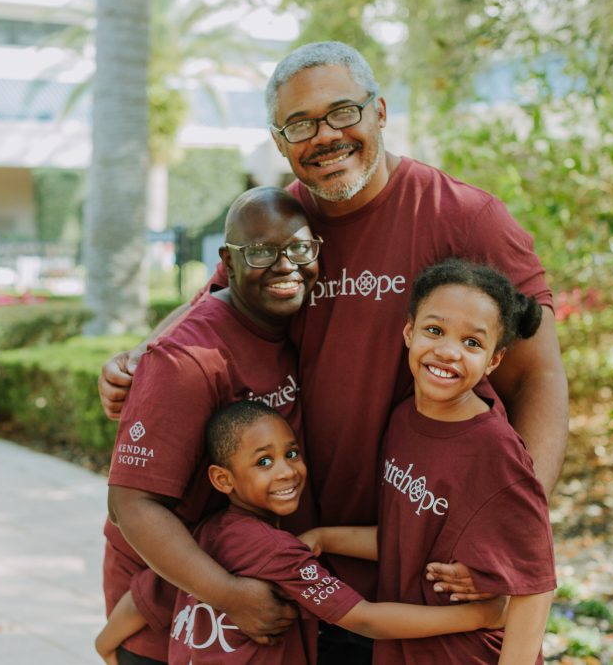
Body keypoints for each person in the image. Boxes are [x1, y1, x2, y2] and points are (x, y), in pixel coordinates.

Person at [99, 41, 569, 661]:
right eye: (300, 123)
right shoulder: (285, 224)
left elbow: (539, 378)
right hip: (301, 568)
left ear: (379, 112)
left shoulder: (465, 218)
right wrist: (140, 353)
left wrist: (507, 531)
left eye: (343, 112)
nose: (325, 136)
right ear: (279, 140)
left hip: (418, 572)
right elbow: (214, 298)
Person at [97, 400, 508, 664]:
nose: (286, 470)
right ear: (223, 479)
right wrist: (479, 614)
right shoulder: (273, 552)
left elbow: (143, 595)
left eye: (291, 453)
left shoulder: (201, 539)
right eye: (263, 462)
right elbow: (366, 620)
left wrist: (104, 647)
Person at [102, 186, 321, 664]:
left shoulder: (282, 328)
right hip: (164, 615)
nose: (286, 265)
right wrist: (229, 594)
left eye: (300, 248)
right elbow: (130, 504)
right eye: (261, 251)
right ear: (229, 260)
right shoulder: (187, 360)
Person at [301, 259, 557, 663]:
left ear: (493, 360)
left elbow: (536, 584)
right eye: (434, 331)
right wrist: (324, 537)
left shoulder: (494, 450)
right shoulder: (404, 420)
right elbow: (408, 538)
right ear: (409, 331)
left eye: (472, 343)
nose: (448, 351)